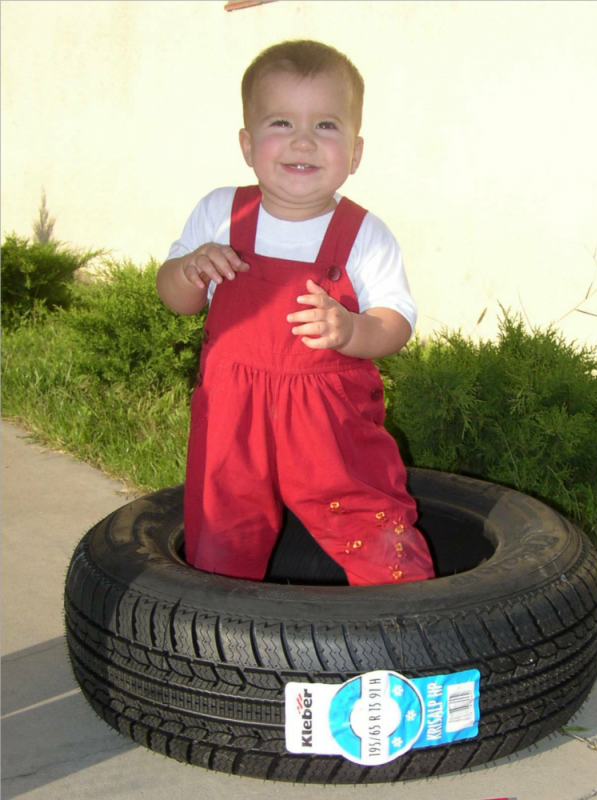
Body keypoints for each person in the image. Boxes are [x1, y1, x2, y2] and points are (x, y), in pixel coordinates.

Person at [156, 39, 435, 586]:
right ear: (247, 143)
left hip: (329, 427)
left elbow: (396, 322)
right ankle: (222, 622)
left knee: (370, 522)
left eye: (326, 125)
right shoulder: (220, 212)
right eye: (281, 122)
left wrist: (352, 329)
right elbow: (176, 298)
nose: (303, 140)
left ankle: (407, 612)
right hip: (231, 421)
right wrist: (188, 271)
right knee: (222, 532)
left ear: (355, 152)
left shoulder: (364, 234)